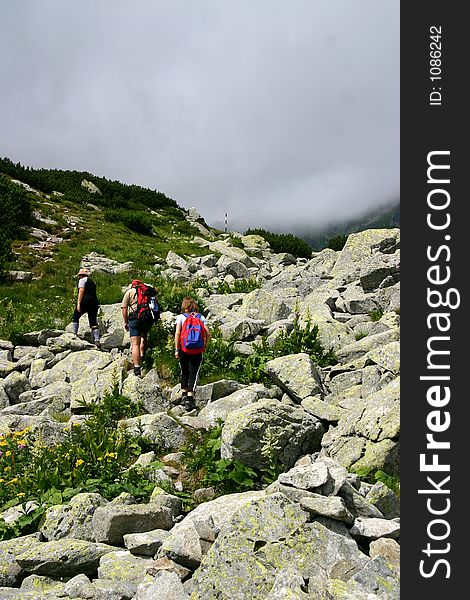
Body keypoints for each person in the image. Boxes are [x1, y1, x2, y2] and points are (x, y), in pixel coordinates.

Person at [174, 297, 210, 411]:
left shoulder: (180, 317)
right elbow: (208, 334)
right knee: (194, 372)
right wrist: (205, 345)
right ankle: (190, 398)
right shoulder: (201, 317)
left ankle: (184, 395)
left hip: (184, 349)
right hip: (197, 349)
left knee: (184, 370)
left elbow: (178, 333)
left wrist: (176, 349)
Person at [121, 279, 155, 376]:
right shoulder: (147, 292)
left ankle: (137, 367)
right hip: (146, 318)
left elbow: (124, 308)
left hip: (134, 318)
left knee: (135, 344)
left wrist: (125, 322)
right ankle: (143, 356)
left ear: (132, 285)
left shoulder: (129, 292)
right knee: (144, 336)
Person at [71, 267, 101, 348]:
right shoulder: (92, 282)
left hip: (85, 301)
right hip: (94, 302)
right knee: (93, 321)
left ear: (81, 275)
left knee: (76, 316)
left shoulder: (82, 280)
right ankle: (97, 339)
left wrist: (78, 303)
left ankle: (74, 334)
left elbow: (81, 291)